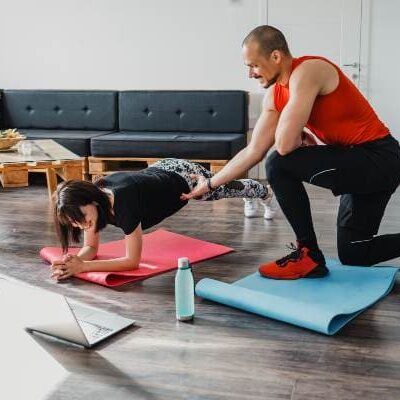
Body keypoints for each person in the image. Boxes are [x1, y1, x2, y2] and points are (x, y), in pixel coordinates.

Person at [181, 25, 400, 280]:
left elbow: (284, 146)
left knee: (278, 163)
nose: (251, 74)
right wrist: (209, 184)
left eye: (254, 65)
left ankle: (308, 255)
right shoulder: (274, 96)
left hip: (379, 158)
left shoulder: (308, 71)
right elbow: (253, 151)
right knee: (354, 254)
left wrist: (296, 134)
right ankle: (313, 257)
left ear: (276, 56)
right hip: (356, 162)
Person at [51, 158, 273, 280]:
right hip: (159, 171)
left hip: (182, 177)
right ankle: (251, 194)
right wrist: (73, 262)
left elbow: (132, 262)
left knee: (221, 189)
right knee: (222, 189)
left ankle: (263, 192)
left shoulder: (123, 204)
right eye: (73, 222)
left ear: (92, 200)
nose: (81, 225)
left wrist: (83, 267)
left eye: (81, 218)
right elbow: (91, 247)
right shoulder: (92, 205)